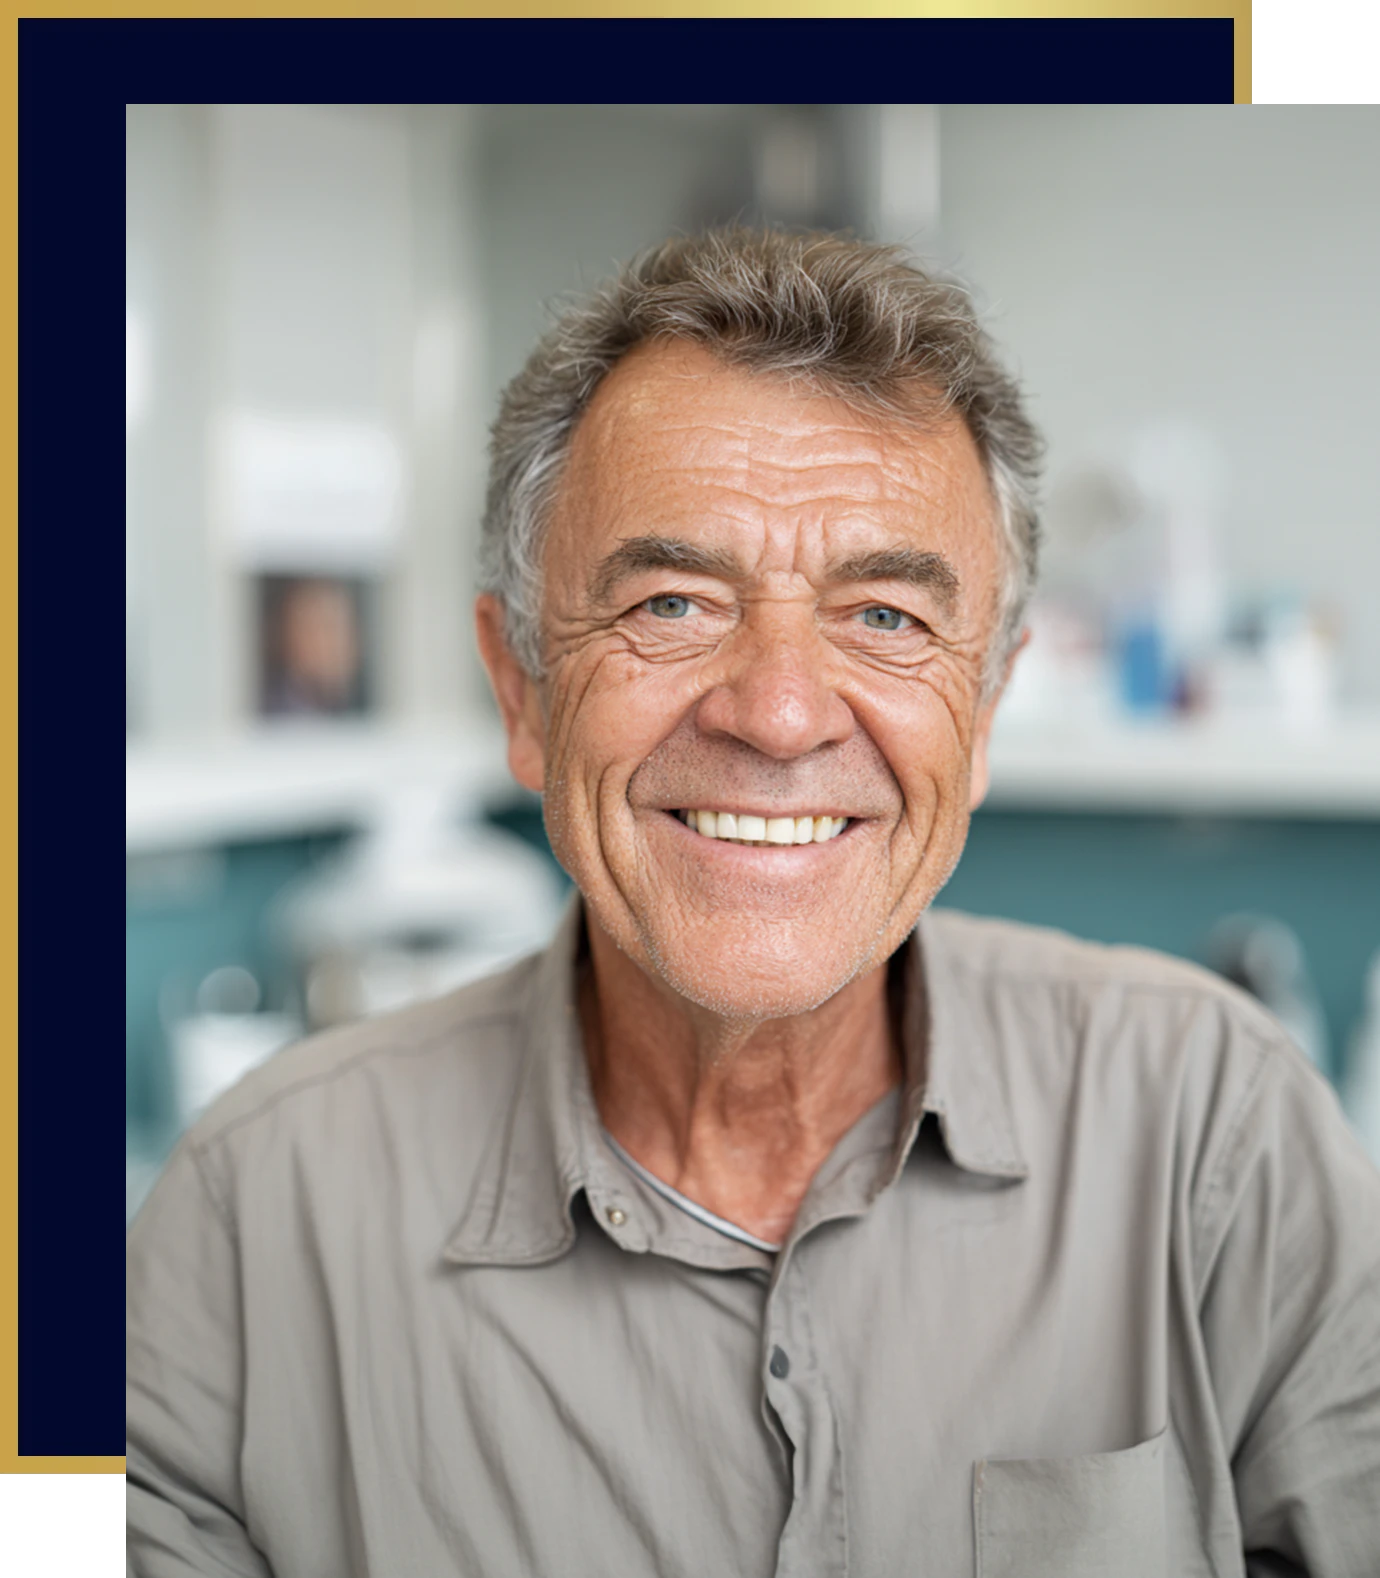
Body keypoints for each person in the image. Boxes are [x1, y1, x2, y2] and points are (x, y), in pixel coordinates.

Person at [124, 229, 1380, 1577]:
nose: (780, 711)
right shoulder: (253, 1222)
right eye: (673, 600)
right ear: (523, 689)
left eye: (887, 616)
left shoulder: (1217, 1136)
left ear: (989, 702)